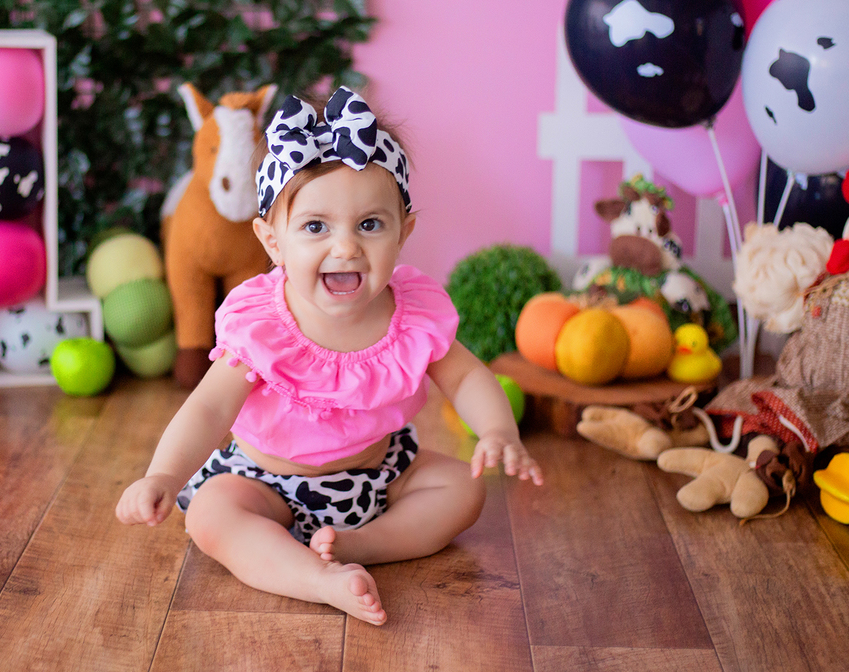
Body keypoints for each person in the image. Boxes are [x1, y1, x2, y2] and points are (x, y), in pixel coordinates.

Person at [116, 87, 542, 625]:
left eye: (370, 225)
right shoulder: (263, 325)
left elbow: (467, 378)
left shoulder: (411, 315)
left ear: (403, 233)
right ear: (273, 241)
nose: (345, 247)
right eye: (315, 227)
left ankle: (365, 544)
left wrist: (498, 432)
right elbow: (206, 410)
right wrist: (162, 476)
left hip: (382, 473)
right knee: (211, 515)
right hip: (264, 483)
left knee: (464, 491)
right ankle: (316, 578)